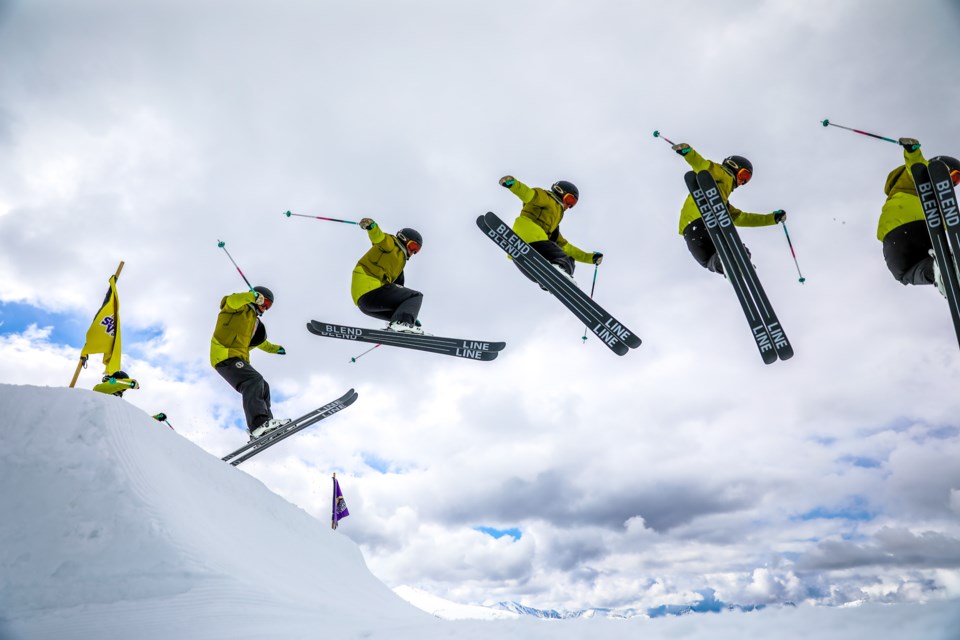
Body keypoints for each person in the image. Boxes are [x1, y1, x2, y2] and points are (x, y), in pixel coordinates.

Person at [672, 143, 786, 275]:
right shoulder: (721, 172)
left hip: (690, 235)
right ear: (734, 166)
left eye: (746, 180)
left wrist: (771, 219)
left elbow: (742, 218)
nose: (742, 182)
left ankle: (727, 266)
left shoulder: (723, 205)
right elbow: (702, 165)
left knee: (710, 262)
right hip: (706, 222)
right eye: (744, 176)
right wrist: (689, 153)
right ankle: (738, 259)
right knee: (736, 249)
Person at [878, 137, 960, 297]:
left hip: (892, 243)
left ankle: (939, 274)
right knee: (940, 236)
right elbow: (916, 164)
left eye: (957, 182)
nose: (954, 184)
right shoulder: (919, 174)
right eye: (955, 176)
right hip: (918, 225)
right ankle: (948, 266)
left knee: (905, 273)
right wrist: (912, 151)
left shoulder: (904, 191)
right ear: (943, 168)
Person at [210, 286, 289, 441]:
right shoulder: (237, 306)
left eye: (269, 306)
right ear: (258, 296)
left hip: (238, 358)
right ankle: (258, 425)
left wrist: (275, 349)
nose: (265, 308)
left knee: (263, 386)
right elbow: (232, 301)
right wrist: (251, 297)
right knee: (253, 381)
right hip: (224, 354)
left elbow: (260, 342)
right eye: (265, 302)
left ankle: (267, 424)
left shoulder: (254, 321)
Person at [498, 175, 602, 284]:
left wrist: (590, 258)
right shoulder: (547, 198)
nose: (568, 205)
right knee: (566, 260)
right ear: (560, 191)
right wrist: (513, 184)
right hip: (533, 237)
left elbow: (566, 247)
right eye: (569, 199)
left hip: (521, 251)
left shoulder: (552, 227)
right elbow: (528, 194)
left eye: (572, 204)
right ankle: (560, 271)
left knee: (553, 262)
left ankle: (547, 282)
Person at [351, 218, 425, 334]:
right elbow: (379, 238)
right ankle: (402, 324)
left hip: (367, 303)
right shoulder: (392, 244)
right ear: (403, 239)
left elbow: (398, 292)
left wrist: (410, 314)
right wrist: (372, 227)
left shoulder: (399, 267)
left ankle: (402, 325)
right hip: (370, 289)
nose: (413, 252)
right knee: (416, 296)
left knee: (406, 304)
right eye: (412, 247)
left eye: (416, 250)